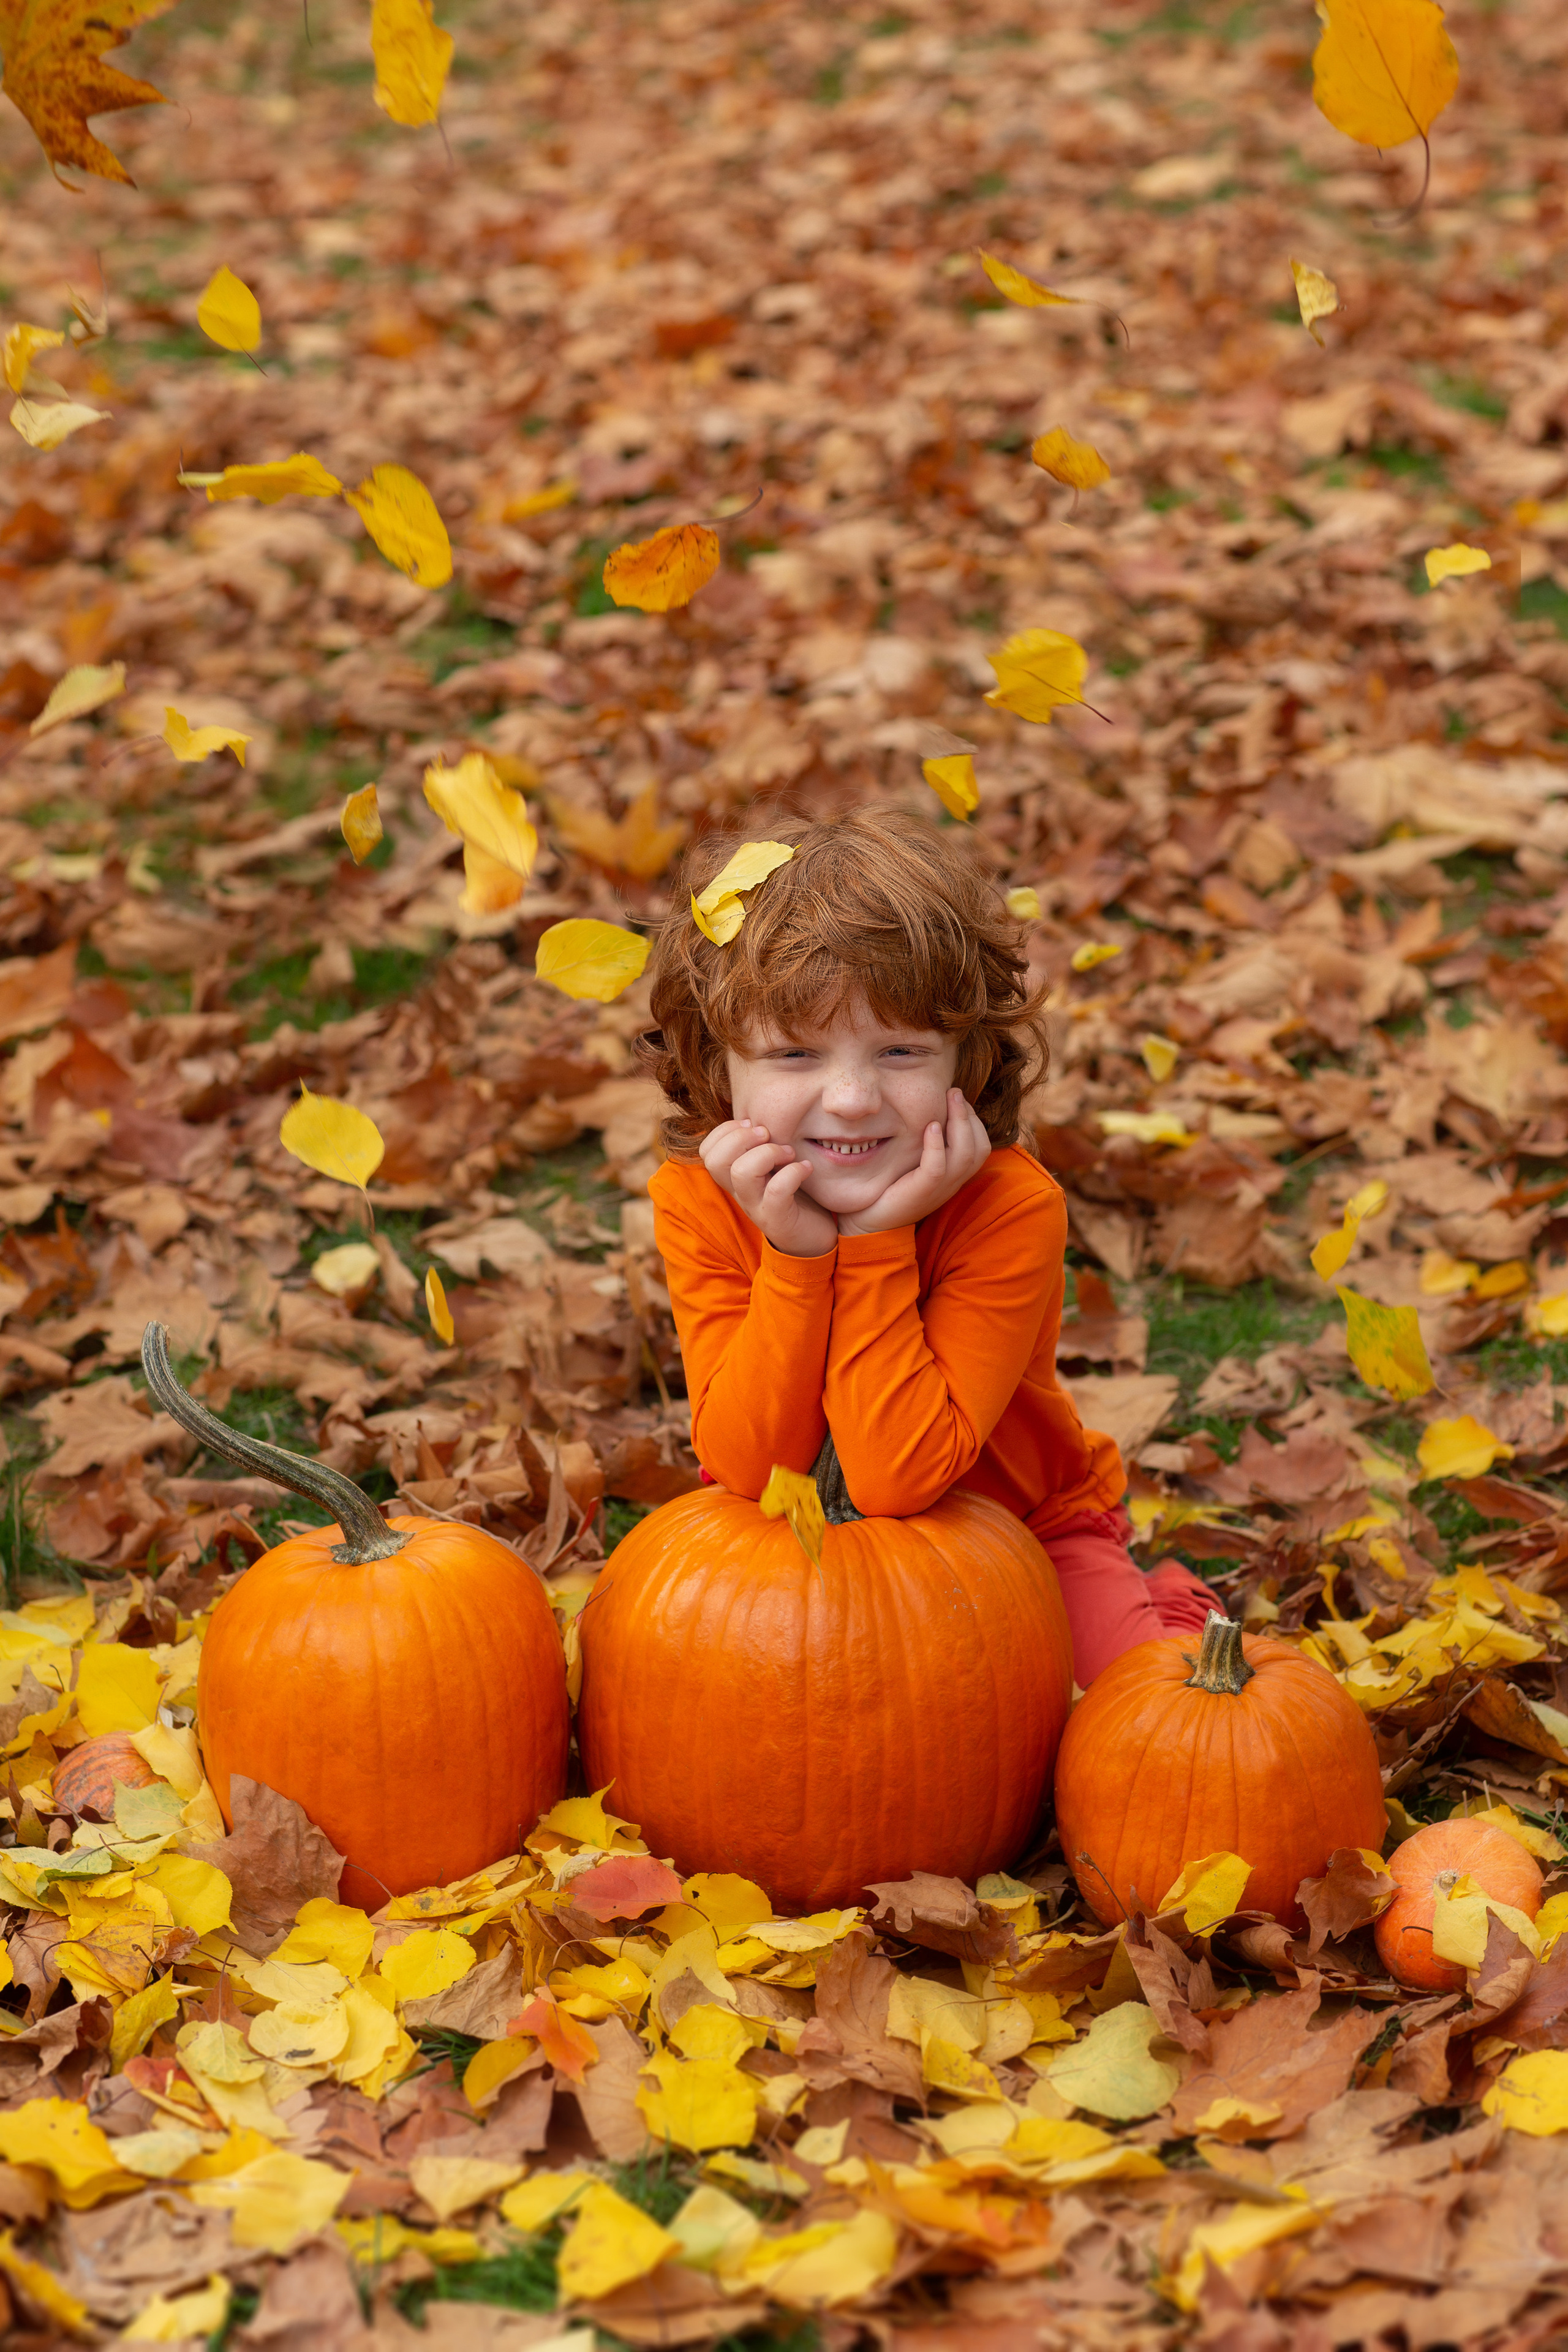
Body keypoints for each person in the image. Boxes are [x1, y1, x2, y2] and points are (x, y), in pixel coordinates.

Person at [639, 804, 1213, 1686]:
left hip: (1022, 1530)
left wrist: (873, 1241)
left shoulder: (1009, 1206)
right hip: (794, 1538)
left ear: (965, 1059)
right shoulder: (698, 1198)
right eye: (796, 1056)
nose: (855, 1099)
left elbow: (900, 1475)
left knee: (1136, 1711)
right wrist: (794, 1259)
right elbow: (751, 1469)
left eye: (901, 1051)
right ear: (720, 1070)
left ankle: (1172, 1607)